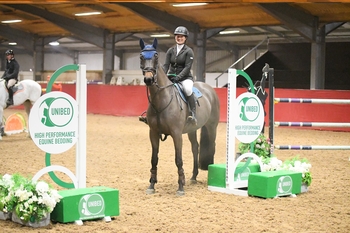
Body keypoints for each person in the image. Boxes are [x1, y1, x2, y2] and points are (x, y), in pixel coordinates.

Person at [162, 26, 197, 125]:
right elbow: (166, 65)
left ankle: (193, 114)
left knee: (188, 89)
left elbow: (187, 68)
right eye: (177, 36)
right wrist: (163, 76)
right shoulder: (170, 51)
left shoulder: (189, 51)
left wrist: (178, 77)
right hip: (171, 76)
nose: (179, 38)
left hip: (185, 78)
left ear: (185, 38)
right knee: (159, 88)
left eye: (181, 36)